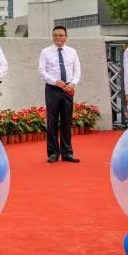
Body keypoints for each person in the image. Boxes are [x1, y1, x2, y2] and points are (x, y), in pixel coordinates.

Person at [38, 25, 82, 163]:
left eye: (61, 35)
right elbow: (41, 71)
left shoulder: (72, 52)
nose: (58, 37)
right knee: (52, 121)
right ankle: (53, 153)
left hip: (68, 89)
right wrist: (55, 81)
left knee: (66, 121)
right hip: (53, 88)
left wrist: (73, 83)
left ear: (66, 37)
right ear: (53, 36)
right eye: (55, 35)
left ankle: (67, 153)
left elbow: (77, 71)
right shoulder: (45, 52)